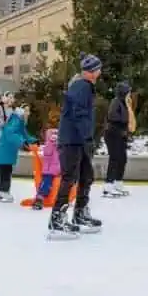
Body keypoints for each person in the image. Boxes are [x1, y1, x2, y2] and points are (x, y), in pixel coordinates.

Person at [48, 53, 103, 237]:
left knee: (86, 176)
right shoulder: (82, 87)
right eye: (98, 69)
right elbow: (79, 114)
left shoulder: (83, 86)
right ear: (92, 71)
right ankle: (57, 219)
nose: (100, 72)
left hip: (79, 140)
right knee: (69, 177)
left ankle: (80, 213)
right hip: (73, 140)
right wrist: (88, 136)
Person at [102, 81, 132, 198]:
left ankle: (118, 183)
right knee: (114, 158)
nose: (129, 94)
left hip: (121, 135)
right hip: (112, 134)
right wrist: (125, 120)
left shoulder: (124, 103)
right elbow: (113, 116)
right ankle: (108, 186)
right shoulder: (116, 102)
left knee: (122, 158)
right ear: (123, 92)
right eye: (128, 92)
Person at [33, 128, 60, 210]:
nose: (55, 138)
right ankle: (39, 198)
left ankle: (64, 198)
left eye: (57, 135)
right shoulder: (48, 145)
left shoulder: (61, 146)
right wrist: (51, 143)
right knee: (46, 182)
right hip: (49, 171)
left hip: (59, 170)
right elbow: (47, 153)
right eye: (52, 136)